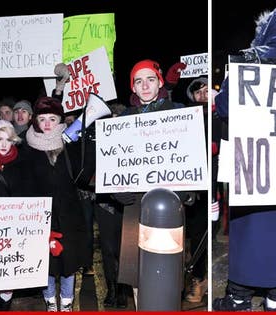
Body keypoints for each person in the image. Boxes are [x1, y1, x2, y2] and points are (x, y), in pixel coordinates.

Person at [213, 0, 276, 311]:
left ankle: (240, 297)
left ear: (268, 29)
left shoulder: (250, 61)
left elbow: (225, 108)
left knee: (252, 234)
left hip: (256, 171)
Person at [111, 59, 186, 309]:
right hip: (135, 207)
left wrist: (186, 190)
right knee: (136, 272)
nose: (145, 85)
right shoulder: (123, 118)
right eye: (138, 81)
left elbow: (189, 156)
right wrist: (116, 190)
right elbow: (114, 161)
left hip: (167, 209)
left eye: (150, 79)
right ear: (132, 87)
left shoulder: (176, 113)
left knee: (165, 271)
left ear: (160, 82)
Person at [25, 96, 95, 312]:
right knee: (44, 261)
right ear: (36, 121)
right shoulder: (28, 149)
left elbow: (84, 176)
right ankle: (50, 301)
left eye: (52, 119)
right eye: (43, 118)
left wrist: (90, 143)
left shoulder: (70, 146)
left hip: (69, 215)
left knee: (68, 262)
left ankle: (66, 302)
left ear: (60, 121)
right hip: (40, 216)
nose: (47, 124)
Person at [0, 119, 32, 311]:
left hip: (16, 229)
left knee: (9, 277)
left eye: (8, 139)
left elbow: (30, 194)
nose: (3, 144)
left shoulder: (22, 162)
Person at [182, 76, 209, 304]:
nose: (203, 94)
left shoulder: (222, 115)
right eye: (198, 91)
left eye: (207, 90)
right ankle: (197, 275)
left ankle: (200, 280)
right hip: (191, 184)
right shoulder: (186, 117)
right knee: (191, 234)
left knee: (204, 234)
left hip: (214, 185)